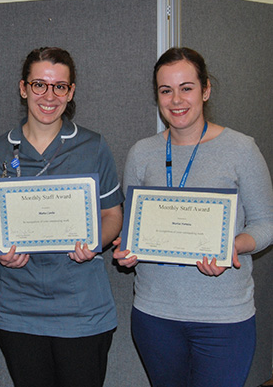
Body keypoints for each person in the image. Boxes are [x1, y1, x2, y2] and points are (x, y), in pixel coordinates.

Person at [113, 47, 273, 387]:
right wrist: (127, 246)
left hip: (224, 318)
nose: (176, 100)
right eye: (165, 90)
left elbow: (267, 223)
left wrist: (235, 245)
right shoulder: (142, 153)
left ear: (206, 90)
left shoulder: (241, 149)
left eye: (186, 87)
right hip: (155, 315)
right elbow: (134, 224)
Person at [0, 47, 124, 387]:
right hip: (17, 308)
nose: (49, 95)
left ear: (70, 92)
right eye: (39, 84)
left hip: (81, 308)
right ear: (23, 88)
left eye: (59, 86)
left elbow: (112, 215)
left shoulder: (93, 146)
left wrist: (95, 242)